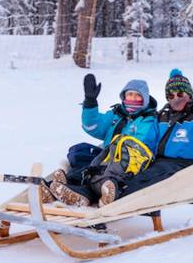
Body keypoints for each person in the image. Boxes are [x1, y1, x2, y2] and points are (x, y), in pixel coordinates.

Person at [103, 65, 193, 204]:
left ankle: (115, 201)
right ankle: (102, 191)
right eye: (170, 95)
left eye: (180, 94)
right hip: (158, 162)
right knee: (128, 171)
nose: (176, 98)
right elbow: (148, 143)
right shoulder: (163, 116)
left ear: (189, 94)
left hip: (189, 166)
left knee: (147, 177)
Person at [41, 73, 159, 206]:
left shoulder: (148, 121)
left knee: (97, 170)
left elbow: (137, 146)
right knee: (79, 151)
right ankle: (58, 188)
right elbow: (92, 126)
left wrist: (111, 154)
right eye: (129, 94)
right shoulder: (117, 114)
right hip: (105, 156)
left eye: (137, 95)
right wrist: (90, 103)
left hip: (127, 163)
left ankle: (71, 187)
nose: (133, 98)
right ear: (124, 96)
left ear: (145, 99)